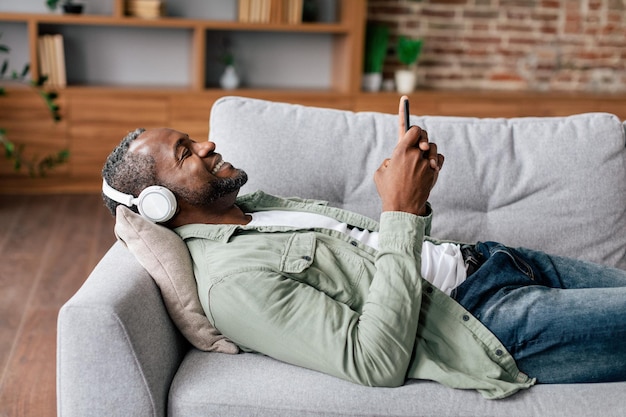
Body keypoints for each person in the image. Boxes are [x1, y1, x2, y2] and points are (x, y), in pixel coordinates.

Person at [101, 97, 626, 400]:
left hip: (495, 261)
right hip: (488, 318)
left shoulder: (256, 208)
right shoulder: (229, 283)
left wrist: (411, 204)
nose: (208, 145)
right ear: (158, 203)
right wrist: (400, 211)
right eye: (185, 152)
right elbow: (373, 360)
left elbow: (382, 256)